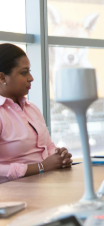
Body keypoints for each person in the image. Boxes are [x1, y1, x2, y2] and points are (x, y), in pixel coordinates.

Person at [0, 43, 73, 183]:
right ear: (2, 78)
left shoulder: (31, 108)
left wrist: (59, 157)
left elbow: (48, 146)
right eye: (24, 72)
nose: (31, 78)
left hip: (45, 183)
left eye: (29, 71)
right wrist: (41, 167)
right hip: (13, 192)